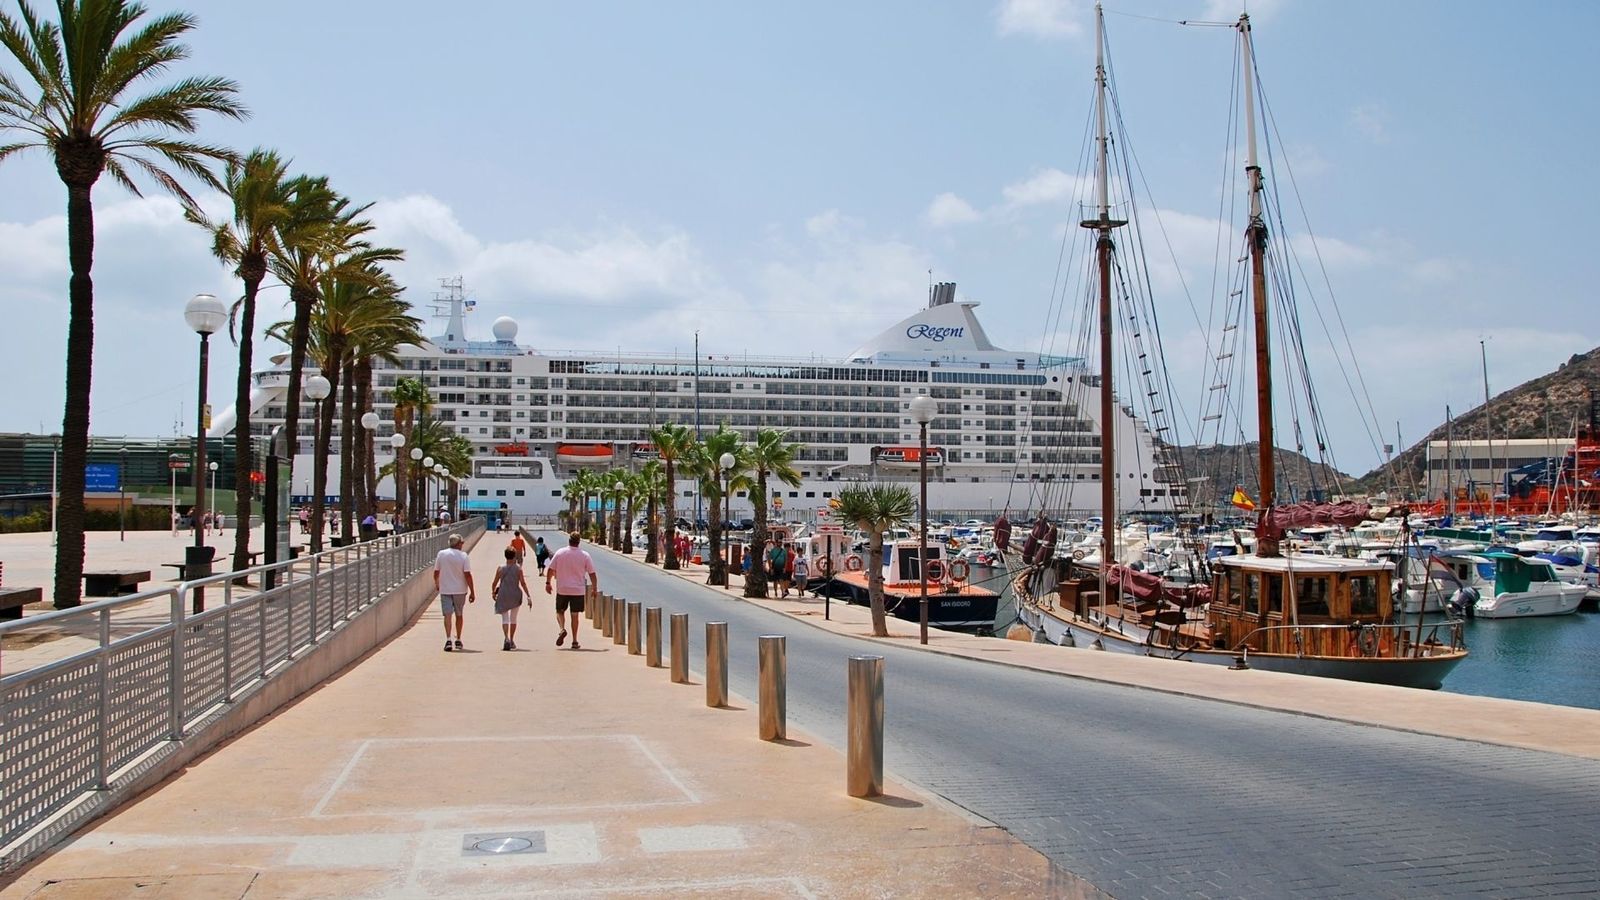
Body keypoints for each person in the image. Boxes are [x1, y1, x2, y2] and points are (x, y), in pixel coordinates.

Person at [544, 531, 597, 650]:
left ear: (569, 541)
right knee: (575, 615)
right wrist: (594, 588)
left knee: (559, 611)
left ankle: (562, 629)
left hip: (562, 588)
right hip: (578, 590)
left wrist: (548, 583)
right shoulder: (585, 555)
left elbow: (551, 569)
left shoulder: (560, 553)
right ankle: (574, 640)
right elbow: (592, 573)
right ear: (579, 542)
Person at [432, 533, 475, 651]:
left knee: (447, 615)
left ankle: (448, 639)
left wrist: (437, 584)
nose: (462, 545)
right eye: (462, 543)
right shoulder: (463, 556)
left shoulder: (441, 554)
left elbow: (436, 572)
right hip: (460, 590)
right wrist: (472, 591)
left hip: (445, 589)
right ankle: (458, 639)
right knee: (459, 614)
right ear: (458, 544)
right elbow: (467, 575)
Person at [491, 547, 530, 651]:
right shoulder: (518, 569)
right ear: (514, 556)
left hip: (503, 595)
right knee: (513, 618)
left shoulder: (500, 568)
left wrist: (493, 592)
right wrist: (528, 596)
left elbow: (494, 583)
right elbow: (523, 583)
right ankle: (512, 640)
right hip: (515, 595)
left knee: (505, 618)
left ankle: (506, 638)